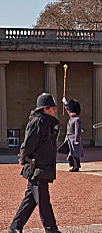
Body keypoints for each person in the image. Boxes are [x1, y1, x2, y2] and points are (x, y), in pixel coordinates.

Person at [9, 93, 61, 233]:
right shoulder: (38, 122)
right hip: (37, 167)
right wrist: (24, 157)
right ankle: (51, 230)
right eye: (52, 108)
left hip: (42, 166)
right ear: (45, 109)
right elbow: (28, 144)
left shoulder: (46, 123)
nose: (54, 110)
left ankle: (15, 227)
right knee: (43, 202)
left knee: (30, 200)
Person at [64, 99, 83, 172]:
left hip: (74, 139)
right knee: (70, 153)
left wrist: (76, 140)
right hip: (69, 138)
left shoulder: (76, 120)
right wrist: (66, 104)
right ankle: (73, 165)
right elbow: (68, 111)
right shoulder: (72, 118)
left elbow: (77, 131)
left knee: (75, 154)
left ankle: (76, 166)